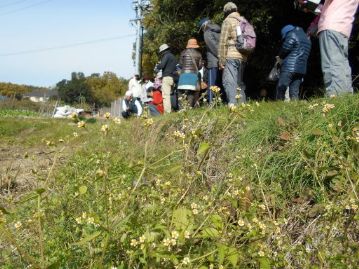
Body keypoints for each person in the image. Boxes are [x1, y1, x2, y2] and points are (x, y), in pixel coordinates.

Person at [317, 0, 359, 96]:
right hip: (342, 27)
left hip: (331, 25)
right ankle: (346, 97)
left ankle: (336, 97)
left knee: (331, 64)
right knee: (341, 63)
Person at [218, 2, 248, 107]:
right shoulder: (243, 20)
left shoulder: (228, 21)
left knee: (229, 82)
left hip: (231, 56)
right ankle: (243, 105)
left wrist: (221, 60)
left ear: (226, 12)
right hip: (243, 56)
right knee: (239, 83)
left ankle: (232, 105)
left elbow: (223, 42)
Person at [276, 25, 312, 100]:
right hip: (301, 69)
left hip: (289, 67)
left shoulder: (292, 34)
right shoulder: (307, 38)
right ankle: (295, 108)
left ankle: (278, 106)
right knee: (294, 91)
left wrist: (280, 56)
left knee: (281, 88)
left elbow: (285, 48)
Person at [198, 18, 221, 103]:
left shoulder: (207, 32)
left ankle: (212, 104)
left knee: (212, 85)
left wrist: (220, 56)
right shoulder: (218, 29)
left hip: (213, 61)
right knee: (220, 83)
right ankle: (221, 102)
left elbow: (213, 46)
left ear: (203, 26)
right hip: (222, 61)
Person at [178, 38, 203, 107]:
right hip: (193, 75)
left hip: (183, 75)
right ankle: (189, 108)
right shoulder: (198, 54)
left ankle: (181, 108)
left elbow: (180, 64)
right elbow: (200, 67)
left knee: (181, 92)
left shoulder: (183, 53)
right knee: (191, 93)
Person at [155, 44, 178, 113]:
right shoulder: (173, 56)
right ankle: (174, 109)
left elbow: (162, 65)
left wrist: (157, 66)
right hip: (173, 77)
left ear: (163, 51)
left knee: (166, 96)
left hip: (166, 77)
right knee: (172, 95)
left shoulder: (166, 56)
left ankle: (167, 112)